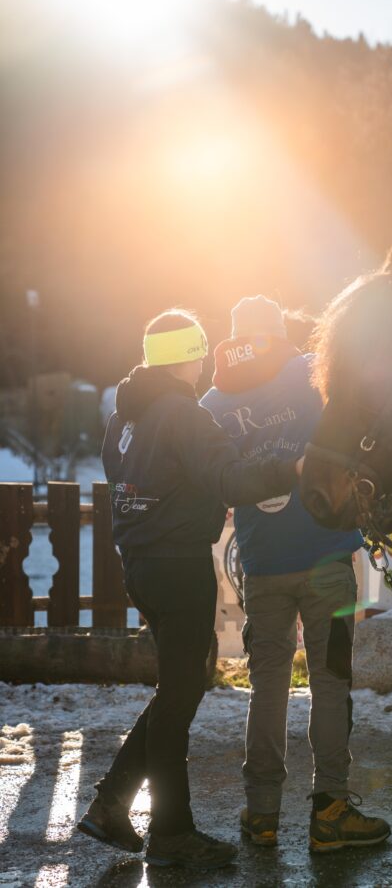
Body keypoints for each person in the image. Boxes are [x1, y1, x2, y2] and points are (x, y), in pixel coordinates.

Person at [77, 309, 300, 871]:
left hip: (140, 567)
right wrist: (290, 470)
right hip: (179, 569)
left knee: (175, 690)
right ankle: (171, 833)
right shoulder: (185, 414)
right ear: (191, 356)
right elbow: (230, 479)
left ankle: (111, 803)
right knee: (179, 699)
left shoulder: (124, 418)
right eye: (200, 354)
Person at [201, 295, 391, 853]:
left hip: (262, 566)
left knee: (267, 685)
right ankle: (331, 812)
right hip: (327, 558)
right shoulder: (313, 371)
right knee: (331, 682)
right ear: (279, 331)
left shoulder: (214, 401)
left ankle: (262, 813)